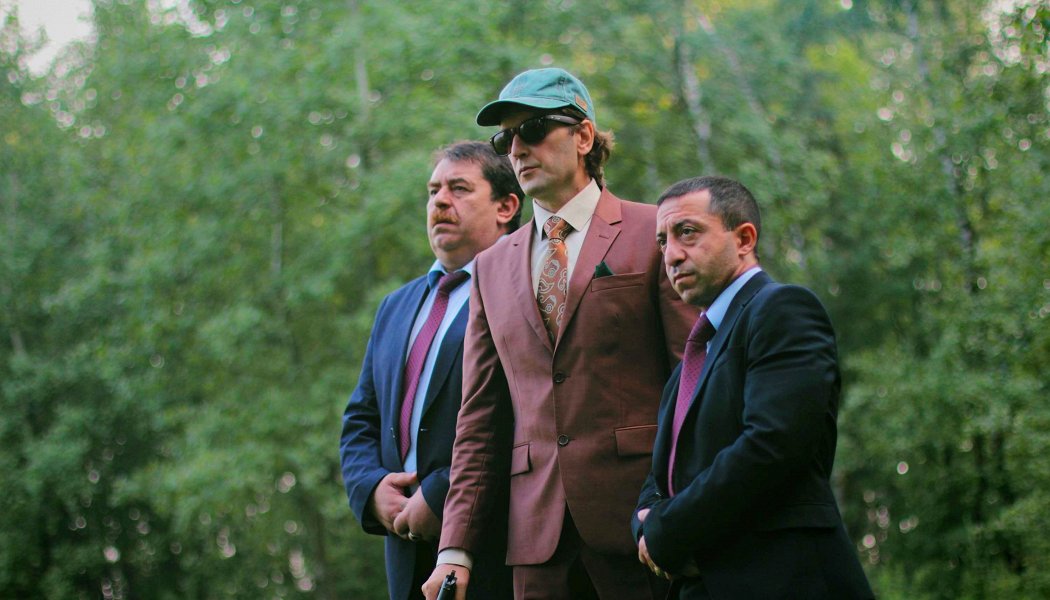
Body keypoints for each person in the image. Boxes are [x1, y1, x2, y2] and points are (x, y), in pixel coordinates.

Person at [422, 68, 697, 600]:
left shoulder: (653, 232)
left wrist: (682, 510)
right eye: (505, 138)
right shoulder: (491, 266)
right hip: (535, 545)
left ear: (584, 136)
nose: (516, 148)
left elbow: (693, 384)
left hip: (642, 530)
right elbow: (479, 418)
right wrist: (454, 548)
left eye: (533, 128)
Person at [632, 175, 875, 599]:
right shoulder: (691, 361)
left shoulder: (783, 309)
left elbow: (772, 445)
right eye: (662, 241)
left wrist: (668, 531)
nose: (671, 255)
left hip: (784, 580)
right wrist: (645, 527)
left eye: (687, 232)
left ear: (744, 238)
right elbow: (661, 474)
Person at [340, 141, 521, 600]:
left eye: (459, 189)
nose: (440, 201)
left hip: (494, 547)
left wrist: (440, 494)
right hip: (404, 551)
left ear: (506, 207)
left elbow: (524, 414)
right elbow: (361, 417)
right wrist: (371, 489)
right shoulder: (395, 306)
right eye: (433, 190)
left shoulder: (523, 289)